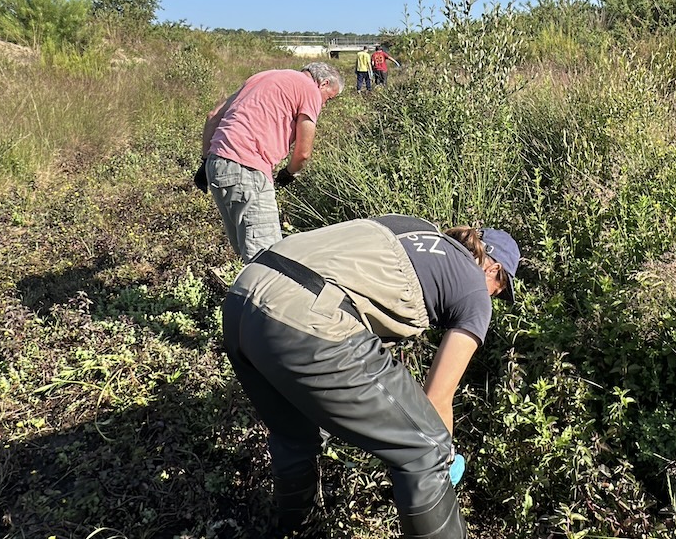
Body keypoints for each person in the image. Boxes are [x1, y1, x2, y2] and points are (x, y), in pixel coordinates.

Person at [222, 214, 521, 538]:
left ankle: (297, 530)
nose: (493, 296)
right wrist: (443, 462)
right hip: (306, 318)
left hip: (243, 297)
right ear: (493, 270)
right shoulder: (476, 291)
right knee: (429, 448)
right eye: (499, 289)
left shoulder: (411, 226)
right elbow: (437, 398)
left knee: (296, 436)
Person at [193, 62, 343, 262]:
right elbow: (303, 152)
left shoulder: (261, 77)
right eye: (329, 99)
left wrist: (205, 162)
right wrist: (289, 173)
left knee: (248, 252)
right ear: (323, 83)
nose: (323, 104)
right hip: (248, 167)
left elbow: (213, 116)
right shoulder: (310, 89)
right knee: (266, 259)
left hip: (216, 164)